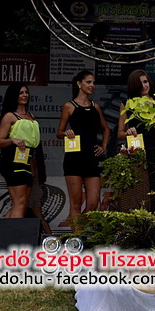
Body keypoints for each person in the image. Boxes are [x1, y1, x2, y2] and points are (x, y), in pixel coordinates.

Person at [56, 70, 110, 232]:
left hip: (91, 158)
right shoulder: (69, 106)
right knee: (76, 202)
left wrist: (103, 146)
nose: (92, 85)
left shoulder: (95, 106)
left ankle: (80, 230)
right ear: (79, 83)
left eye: (93, 82)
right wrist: (66, 133)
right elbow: (59, 132)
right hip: (74, 158)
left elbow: (106, 129)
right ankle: (77, 239)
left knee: (93, 203)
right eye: (88, 82)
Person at [0, 83, 41, 219]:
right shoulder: (10, 116)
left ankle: (3, 229)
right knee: (19, 203)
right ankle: (14, 232)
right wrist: (12, 140)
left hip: (27, 161)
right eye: (21, 93)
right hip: (13, 161)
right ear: (14, 95)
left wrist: (33, 167)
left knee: (22, 204)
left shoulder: (31, 115)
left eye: (26, 92)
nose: (24, 95)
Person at [116, 69, 155, 210]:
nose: (144, 86)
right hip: (139, 152)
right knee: (141, 188)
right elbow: (120, 134)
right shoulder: (127, 103)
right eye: (140, 84)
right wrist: (128, 132)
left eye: (145, 82)